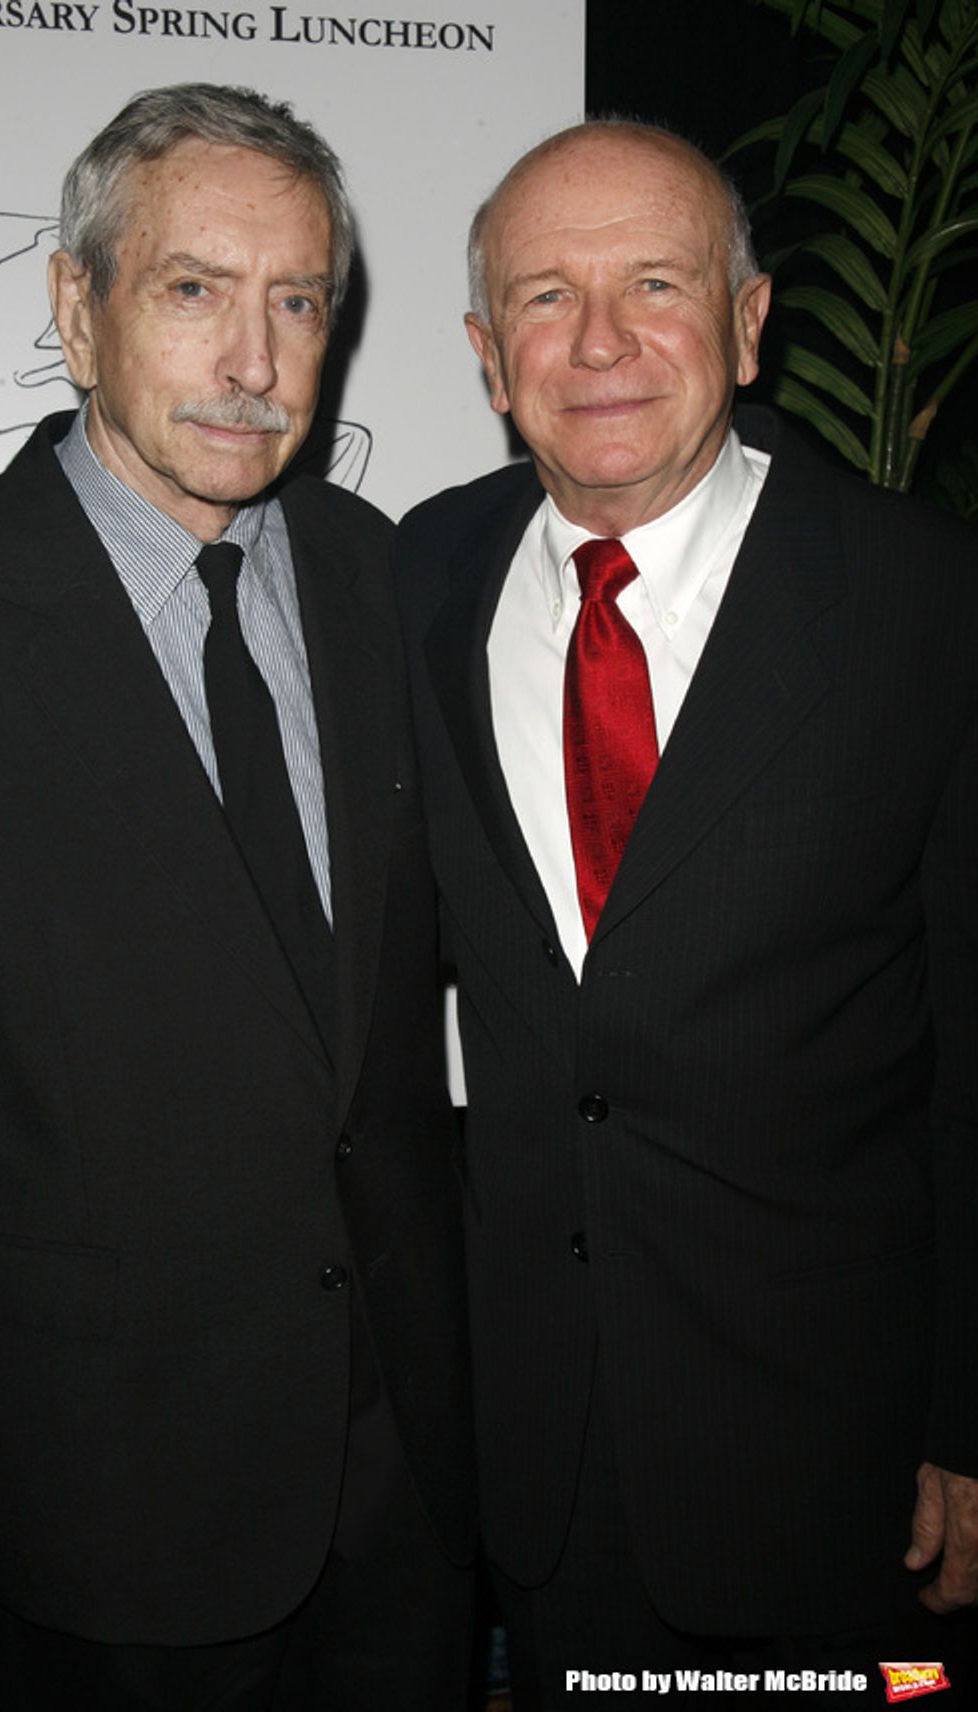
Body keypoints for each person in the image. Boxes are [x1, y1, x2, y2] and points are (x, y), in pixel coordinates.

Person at [0, 83, 475, 1711]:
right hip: (88, 1490)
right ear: (75, 308)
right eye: (193, 289)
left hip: (409, 1477)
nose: (253, 361)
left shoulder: (388, 580)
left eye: (297, 302)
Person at [394, 118, 978, 1705]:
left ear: (749, 319)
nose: (599, 342)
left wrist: (968, 1418)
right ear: (485, 354)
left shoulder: (926, 600)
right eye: (545, 297)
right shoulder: (421, 579)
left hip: (847, 1467)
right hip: (546, 1459)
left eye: (655, 283)